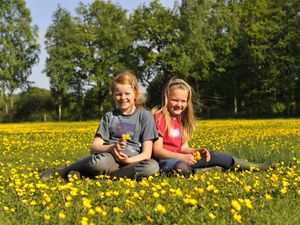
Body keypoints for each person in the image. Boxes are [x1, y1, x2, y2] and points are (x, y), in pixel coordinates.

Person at [41, 71, 159, 181]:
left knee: (152, 167)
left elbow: (146, 154)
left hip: (132, 161)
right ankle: (63, 171)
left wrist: (128, 160)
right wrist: (112, 148)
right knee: (99, 162)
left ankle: (99, 175)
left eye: (127, 93)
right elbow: (94, 147)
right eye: (118, 94)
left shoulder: (145, 117)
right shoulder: (109, 117)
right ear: (113, 95)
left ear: (135, 94)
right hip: (109, 159)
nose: (123, 98)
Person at [152, 78, 273, 177]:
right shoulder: (159, 118)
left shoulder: (181, 120)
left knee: (214, 155)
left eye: (183, 101)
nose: (179, 105)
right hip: (165, 161)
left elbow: (183, 147)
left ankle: (255, 167)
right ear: (167, 98)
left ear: (187, 102)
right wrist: (182, 157)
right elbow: (158, 151)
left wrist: (196, 151)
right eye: (175, 100)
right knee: (182, 169)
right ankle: (204, 171)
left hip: (182, 157)